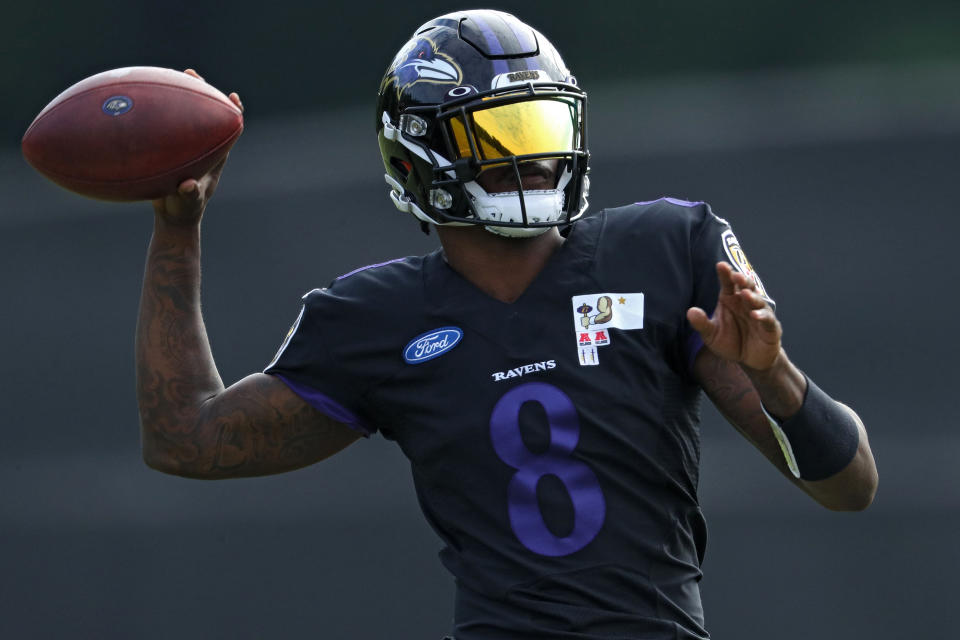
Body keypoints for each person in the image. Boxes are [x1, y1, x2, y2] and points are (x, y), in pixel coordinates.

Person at [137, 9, 878, 639]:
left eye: (540, 125)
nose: (530, 157)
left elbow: (849, 487)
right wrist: (178, 230)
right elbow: (186, 439)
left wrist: (773, 374)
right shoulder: (375, 319)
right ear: (419, 153)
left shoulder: (663, 254)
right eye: (496, 136)